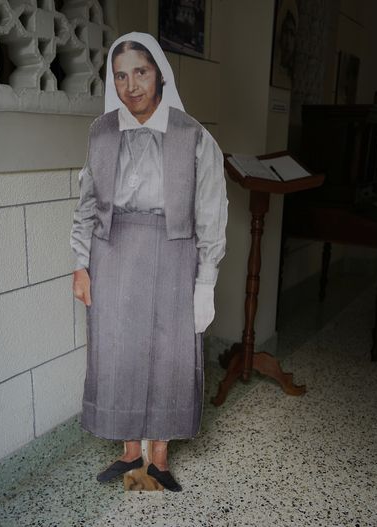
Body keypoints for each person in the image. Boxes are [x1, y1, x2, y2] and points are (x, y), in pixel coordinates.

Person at [70, 32, 227, 492]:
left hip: (173, 251)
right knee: (117, 351)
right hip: (112, 250)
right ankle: (128, 452)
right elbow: (85, 202)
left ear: (159, 73)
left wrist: (206, 281)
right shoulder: (100, 133)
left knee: (167, 354)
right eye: (121, 75)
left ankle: (159, 456)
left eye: (141, 71)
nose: (131, 84)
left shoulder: (192, 134)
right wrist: (81, 263)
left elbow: (212, 211)